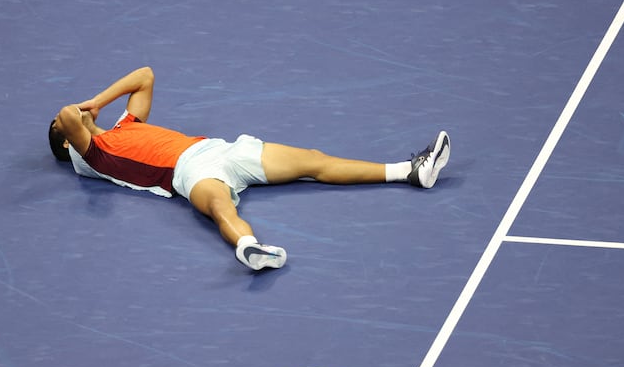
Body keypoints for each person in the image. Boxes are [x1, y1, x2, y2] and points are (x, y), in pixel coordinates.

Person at [49, 66, 450, 271]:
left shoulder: (124, 126)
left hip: (220, 150)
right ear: (69, 143)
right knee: (223, 209)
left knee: (313, 159)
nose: (67, 118)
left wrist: (98, 103)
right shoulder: (93, 156)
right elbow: (68, 114)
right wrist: (84, 112)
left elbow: (145, 75)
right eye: (61, 128)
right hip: (188, 176)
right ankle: (250, 249)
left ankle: (410, 171)